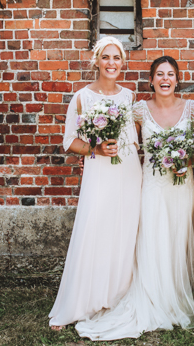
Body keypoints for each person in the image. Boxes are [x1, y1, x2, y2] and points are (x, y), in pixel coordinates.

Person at [76, 56, 194, 340]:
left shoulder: (192, 109)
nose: (165, 79)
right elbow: (119, 140)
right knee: (153, 240)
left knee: (177, 240)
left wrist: (188, 160)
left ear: (177, 80)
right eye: (159, 74)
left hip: (182, 186)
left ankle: (175, 296)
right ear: (152, 80)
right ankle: (153, 297)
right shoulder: (139, 110)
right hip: (153, 187)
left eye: (170, 74)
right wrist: (92, 156)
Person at [48, 36, 142, 330]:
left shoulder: (129, 96)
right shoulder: (82, 97)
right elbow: (69, 141)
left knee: (124, 231)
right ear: (97, 62)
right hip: (99, 170)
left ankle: (116, 296)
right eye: (106, 57)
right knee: (94, 229)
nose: (111, 63)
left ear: (123, 62)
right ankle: (81, 302)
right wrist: (95, 149)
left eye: (117, 58)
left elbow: (134, 137)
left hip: (128, 170)